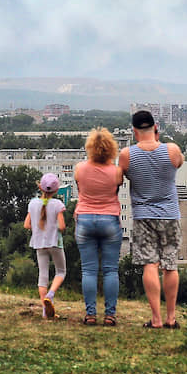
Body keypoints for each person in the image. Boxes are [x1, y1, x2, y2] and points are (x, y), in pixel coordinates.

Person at [119, 110, 184, 329]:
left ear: (134, 131)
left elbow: (121, 176)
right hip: (170, 214)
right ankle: (171, 318)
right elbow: (179, 163)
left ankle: (155, 318)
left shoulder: (127, 155)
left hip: (143, 216)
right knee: (170, 265)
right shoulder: (172, 150)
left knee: (150, 264)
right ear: (155, 127)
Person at [74, 128, 123, 326]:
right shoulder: (116, 171)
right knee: (111, 270)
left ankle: (90, 314)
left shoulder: (80, 169)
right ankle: (110, 315)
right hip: (110, 220)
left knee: (89, 271)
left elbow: (79, 187)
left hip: (85, 220)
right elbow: (116, 189)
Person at [24, 173, 66, 319]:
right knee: (61, 272)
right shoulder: (58, 205)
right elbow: (61, 226)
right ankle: (51, 294)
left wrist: (38, 228)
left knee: (43, 276)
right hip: (55, 243)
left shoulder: (32, 203)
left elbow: (26, 224)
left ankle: (45, 311)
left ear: (40, 187)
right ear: (56, 190)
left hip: (39, 243)